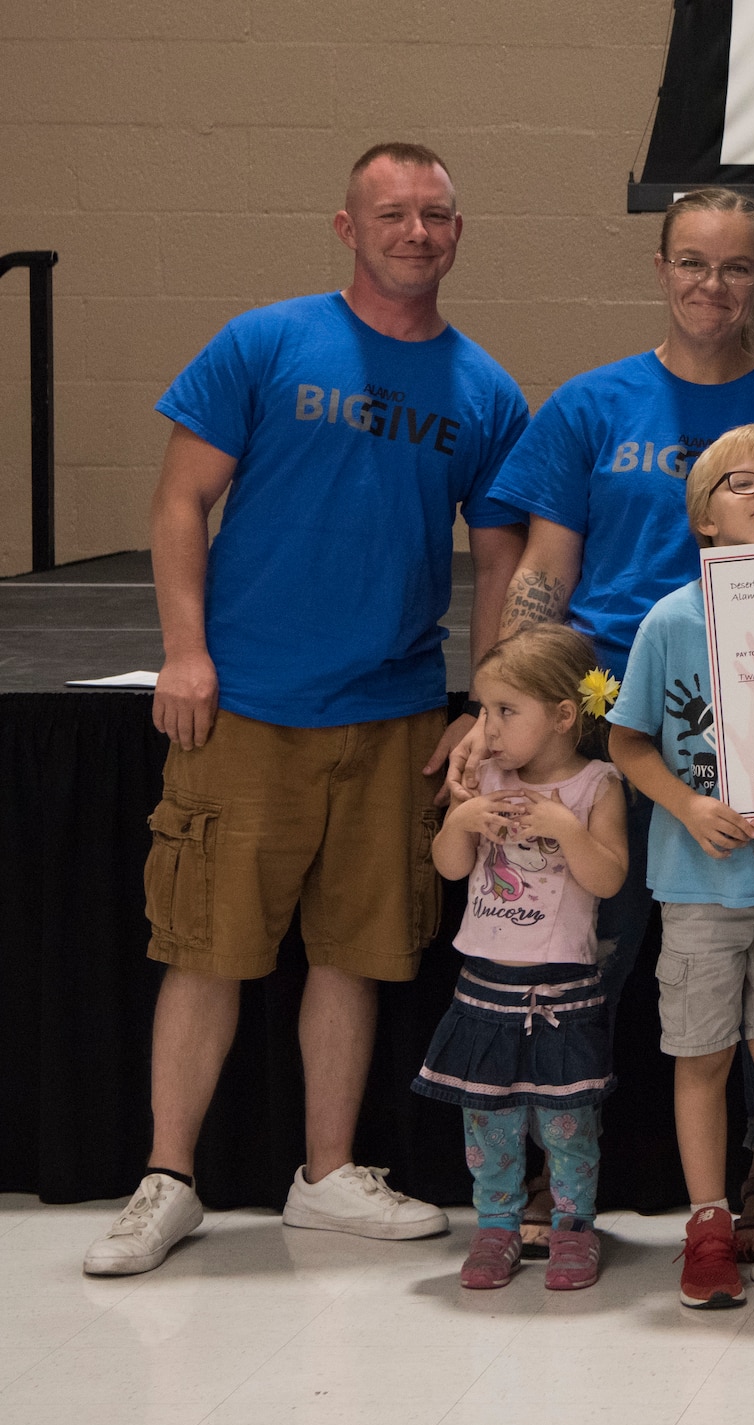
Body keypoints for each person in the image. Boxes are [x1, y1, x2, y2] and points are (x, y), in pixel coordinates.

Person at [83, 142, 529, 1277]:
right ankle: (167, 1179)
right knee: (208, 949)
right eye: (393, 213)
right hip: (248, 706)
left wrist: (483, 701)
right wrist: (184, 654)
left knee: (354, 953)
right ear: (347, 227)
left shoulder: (485, 391)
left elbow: (498, 564)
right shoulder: (266, 341)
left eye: (436, 214)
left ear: (458, 233)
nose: (416, 232)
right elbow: (181, 500)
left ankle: (327, 1176)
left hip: (390, 714)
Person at [455, 187, 754, 1244]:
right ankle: (561, 1181)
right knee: (582, 956)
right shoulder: (592, 405)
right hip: (606, 720)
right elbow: (543, 573)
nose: (711, 286)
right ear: (659, 269)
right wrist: (498, 710)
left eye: (734, 268)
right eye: (692, 264)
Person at [608, 426, 754, 1309]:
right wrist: (688, 804)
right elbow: (628, 740)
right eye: (741, 483)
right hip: (700, 887)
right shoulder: (672, 620)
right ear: (702, 518)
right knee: (701, 1056)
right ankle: (708, 1221)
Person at [418, 624, 628, 1291]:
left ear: (564, 716)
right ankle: (497, 1225)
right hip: (486, 984)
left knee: (568, 1122)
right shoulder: (486, 776)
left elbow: (609, 879)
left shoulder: (599, 786)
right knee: (491, 1120)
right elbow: (450, 869)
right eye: (485, 710)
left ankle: (572, 1226)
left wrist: (566, 829)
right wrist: (460, 821)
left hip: (562, 988)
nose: (490, 726)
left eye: (507, 711)